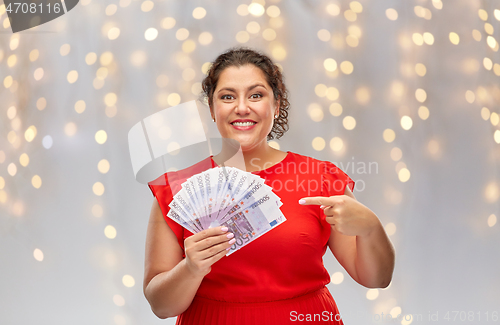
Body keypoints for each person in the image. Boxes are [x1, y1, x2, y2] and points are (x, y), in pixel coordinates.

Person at [143, 46, 395, 324]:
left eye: (256, 95)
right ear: (212, 110)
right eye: (227, 96)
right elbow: (161, 306)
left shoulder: (321, 179)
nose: (241, 107)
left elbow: (376, 279)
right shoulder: (175, 191)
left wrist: (372, 228)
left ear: (275, 105)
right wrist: (191, 269)